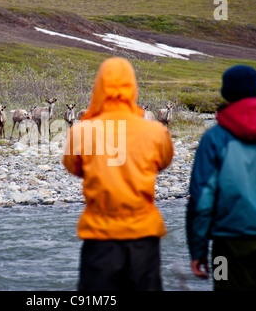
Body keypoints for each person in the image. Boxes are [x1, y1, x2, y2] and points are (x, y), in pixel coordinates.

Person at [63, 57, 174, 291]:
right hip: (143, 237)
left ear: (99, 87)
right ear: (132, 87)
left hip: (100, 238)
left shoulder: (81, 132)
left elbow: (73, 167)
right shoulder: (156, 131)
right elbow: (162, 163)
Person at [186, 64, 256, 291]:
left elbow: (201, 199)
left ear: (225, 92)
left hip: (225, 246)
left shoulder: (214, 138)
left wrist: (198, 250)